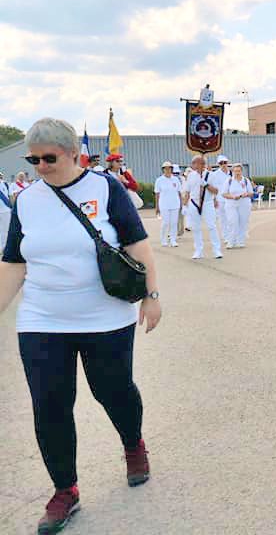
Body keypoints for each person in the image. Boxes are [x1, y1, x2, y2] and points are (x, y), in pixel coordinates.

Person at [0, 118, 161, 534]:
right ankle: (65, 490)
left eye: (49, 158)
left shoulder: (105, 189)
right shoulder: (26, 200)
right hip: (42, 317)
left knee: (113, 390)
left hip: (105, 315)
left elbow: (137, 244)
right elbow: (14, 261)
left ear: (73, 153)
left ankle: (133, 444)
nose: (40, 166)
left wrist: (151, 295)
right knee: (49, 403)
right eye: (32, 159)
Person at [183, 155, 223, 260]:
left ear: (201, 164)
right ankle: (198, 250)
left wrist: (206, 185)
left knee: (212, 226)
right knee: (196, 228)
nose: (193, 165)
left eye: (195, 163)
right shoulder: (190, 176)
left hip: (207, 203)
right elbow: (187, 191)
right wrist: (184, 205)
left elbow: (216, 191)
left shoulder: (211, 175)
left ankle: (216, 250)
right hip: (194, 202)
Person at [222, 163, 255, 248]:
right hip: (231, 204)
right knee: (233, 222)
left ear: (241, 171)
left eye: (239, 171)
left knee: (243, 222)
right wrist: (233, 197)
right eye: (235, 171)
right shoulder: (229, 181)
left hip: (244, 204)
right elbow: (224, 194)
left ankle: (240, 241)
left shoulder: (246, 180)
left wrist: (245, 194)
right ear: (232, 171)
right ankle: (231, 241)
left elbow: (251, 193)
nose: (237, 173)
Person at [153, 161, 182, 247]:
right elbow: (157, 194)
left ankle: (173, 240)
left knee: (174, 223)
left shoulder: (176, 179)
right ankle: (163, 240)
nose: (168, 170)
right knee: (165, 223)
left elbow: (179, 192)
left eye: (169, 168)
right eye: (166, 168)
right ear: (163, 170)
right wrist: (157, 206)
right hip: (164, 205)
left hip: (175, 204)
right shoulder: (159, 180)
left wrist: (181, 203)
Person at [208, 156, 233, 247]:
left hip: (230, 199)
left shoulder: (231, 174)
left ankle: (232, 235)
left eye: (225, 163)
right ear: (218, 164)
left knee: (231, 218)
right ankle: (226, 236)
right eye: (221, 163)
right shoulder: (214, 174)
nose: (223, 165)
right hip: (220, 199)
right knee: (223, 219)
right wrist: (214, 199)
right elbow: (212, 188)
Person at [0, 170, 11, 252]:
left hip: (5, 210)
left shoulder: (5, 184)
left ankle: (3, 248)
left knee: (5, 230)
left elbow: (10, 196)